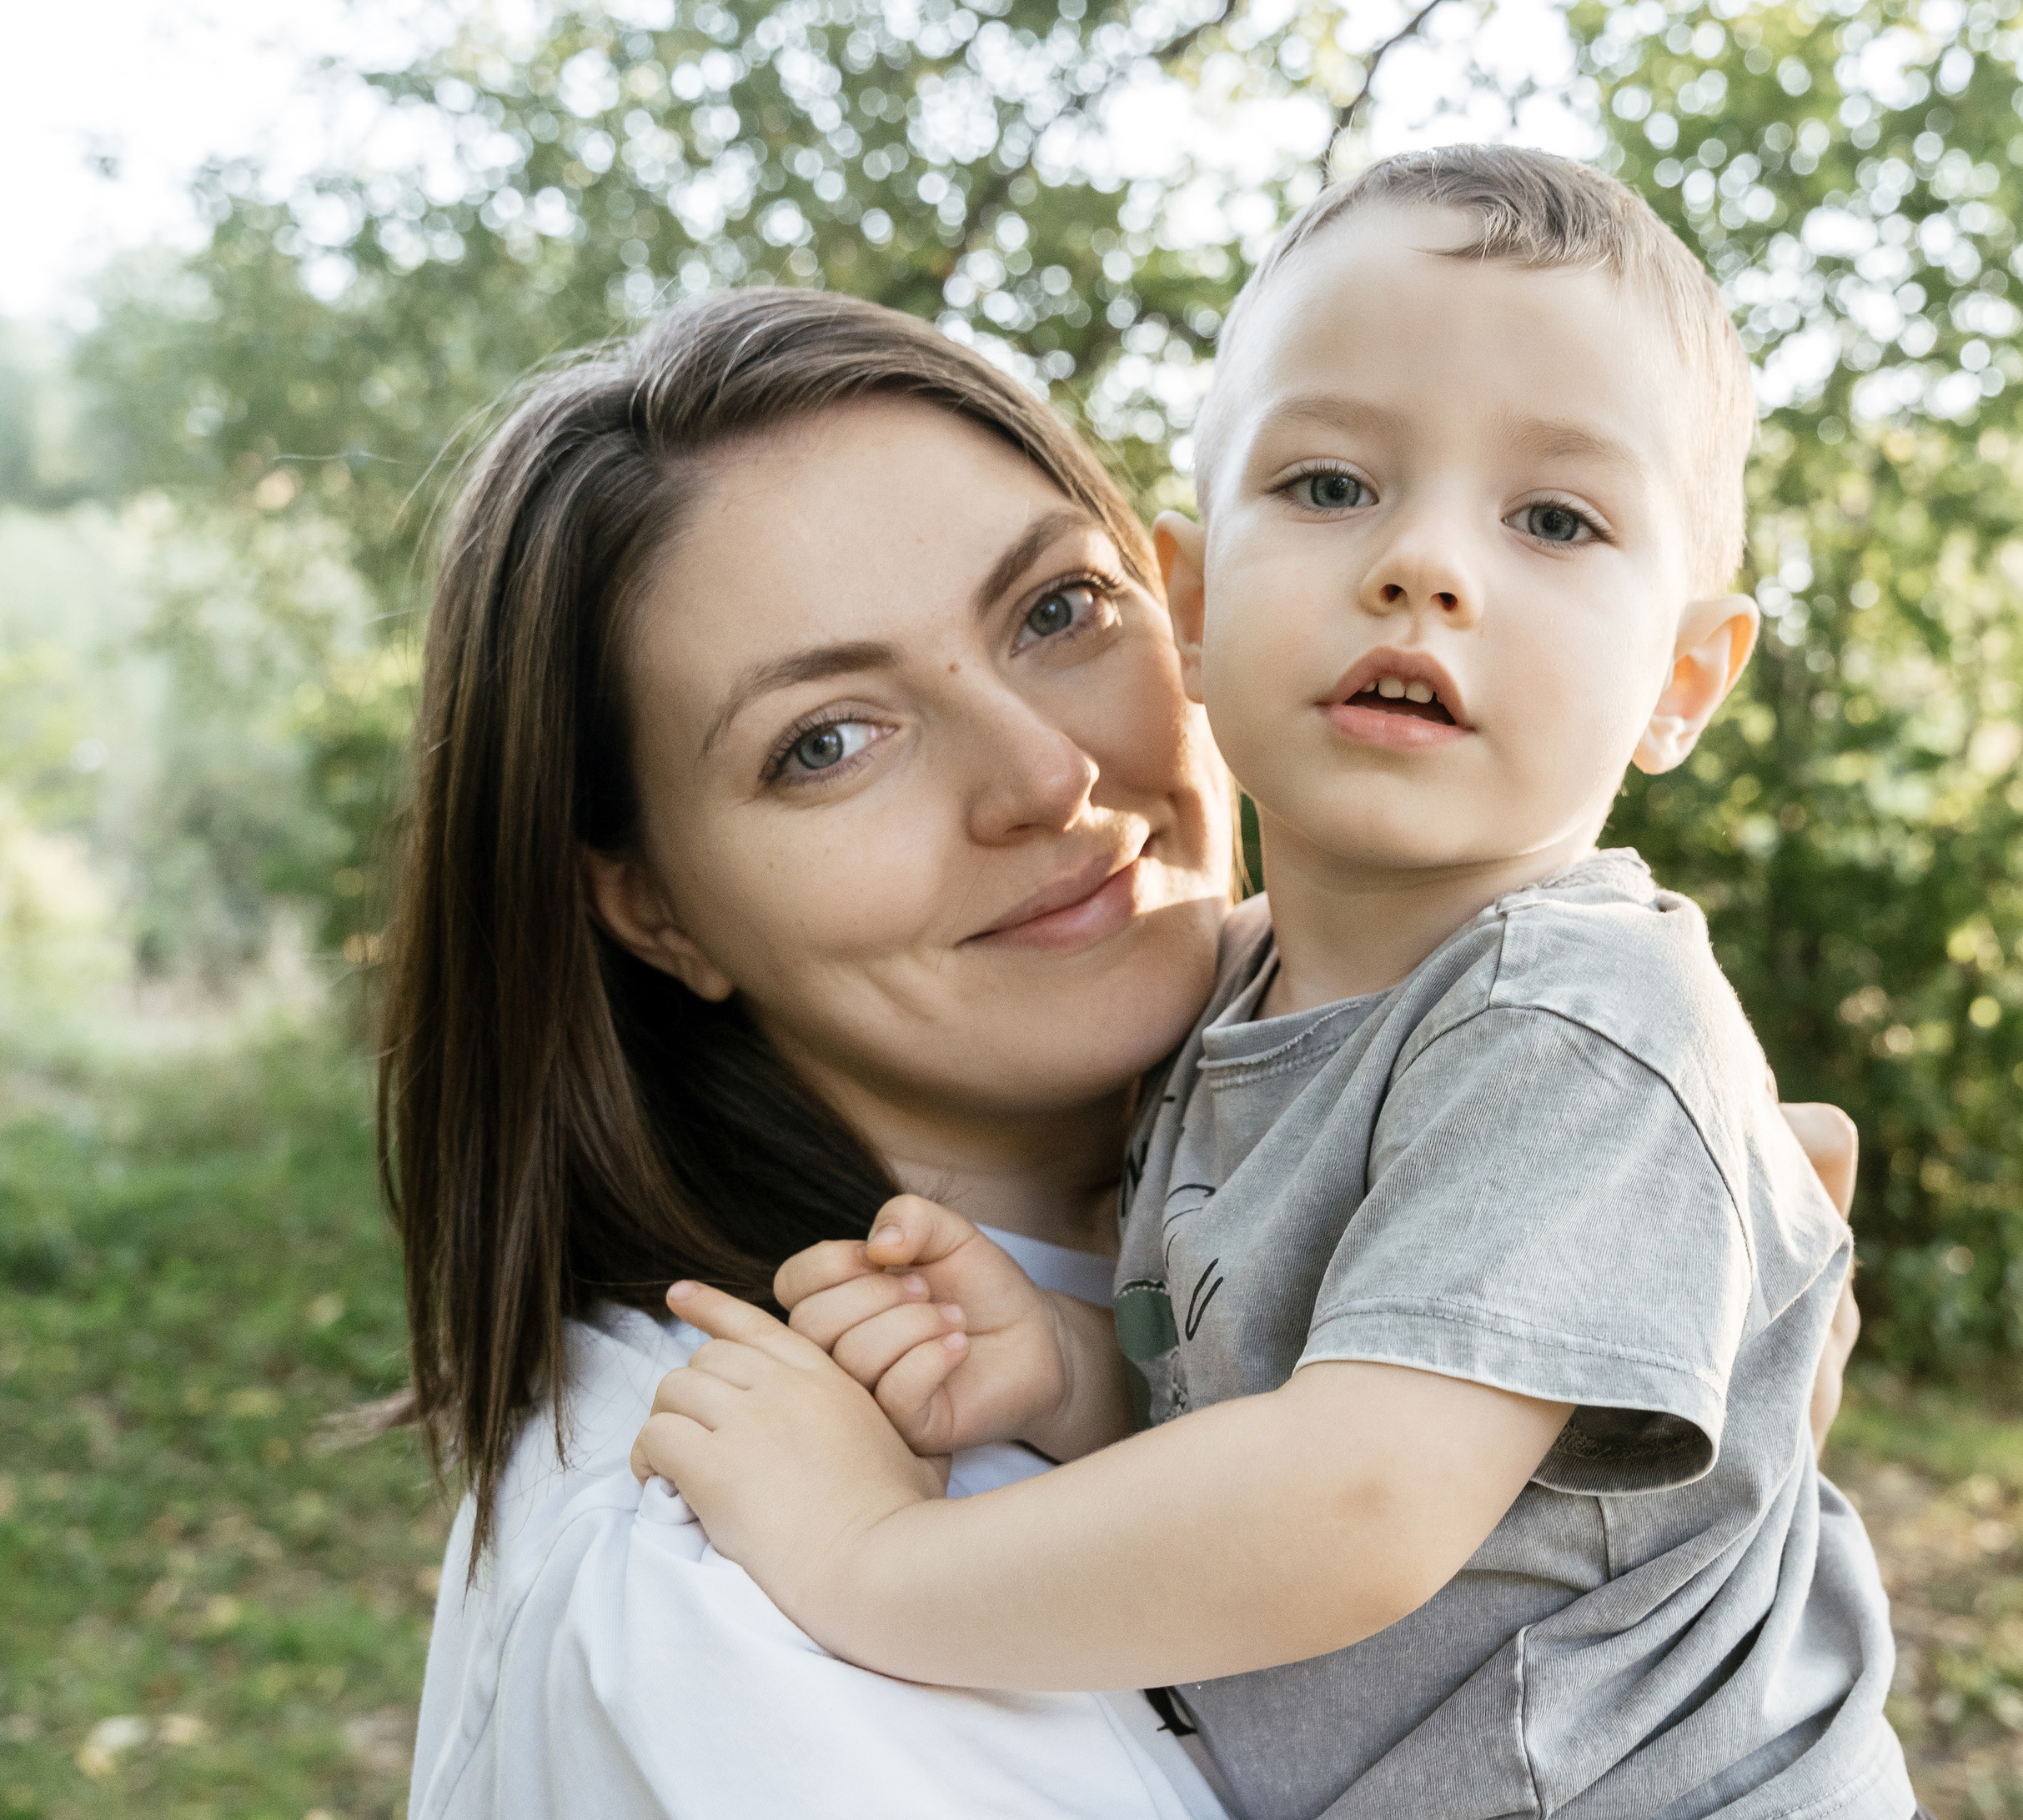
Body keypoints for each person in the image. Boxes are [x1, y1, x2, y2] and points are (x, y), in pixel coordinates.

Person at [387, 283, 1862, 1817]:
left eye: (1057, 611)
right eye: (826, 739)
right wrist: (877, 1555)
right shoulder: (714, 1570)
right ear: (653, 911)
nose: (1046, 771)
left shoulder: (1441, 1106)